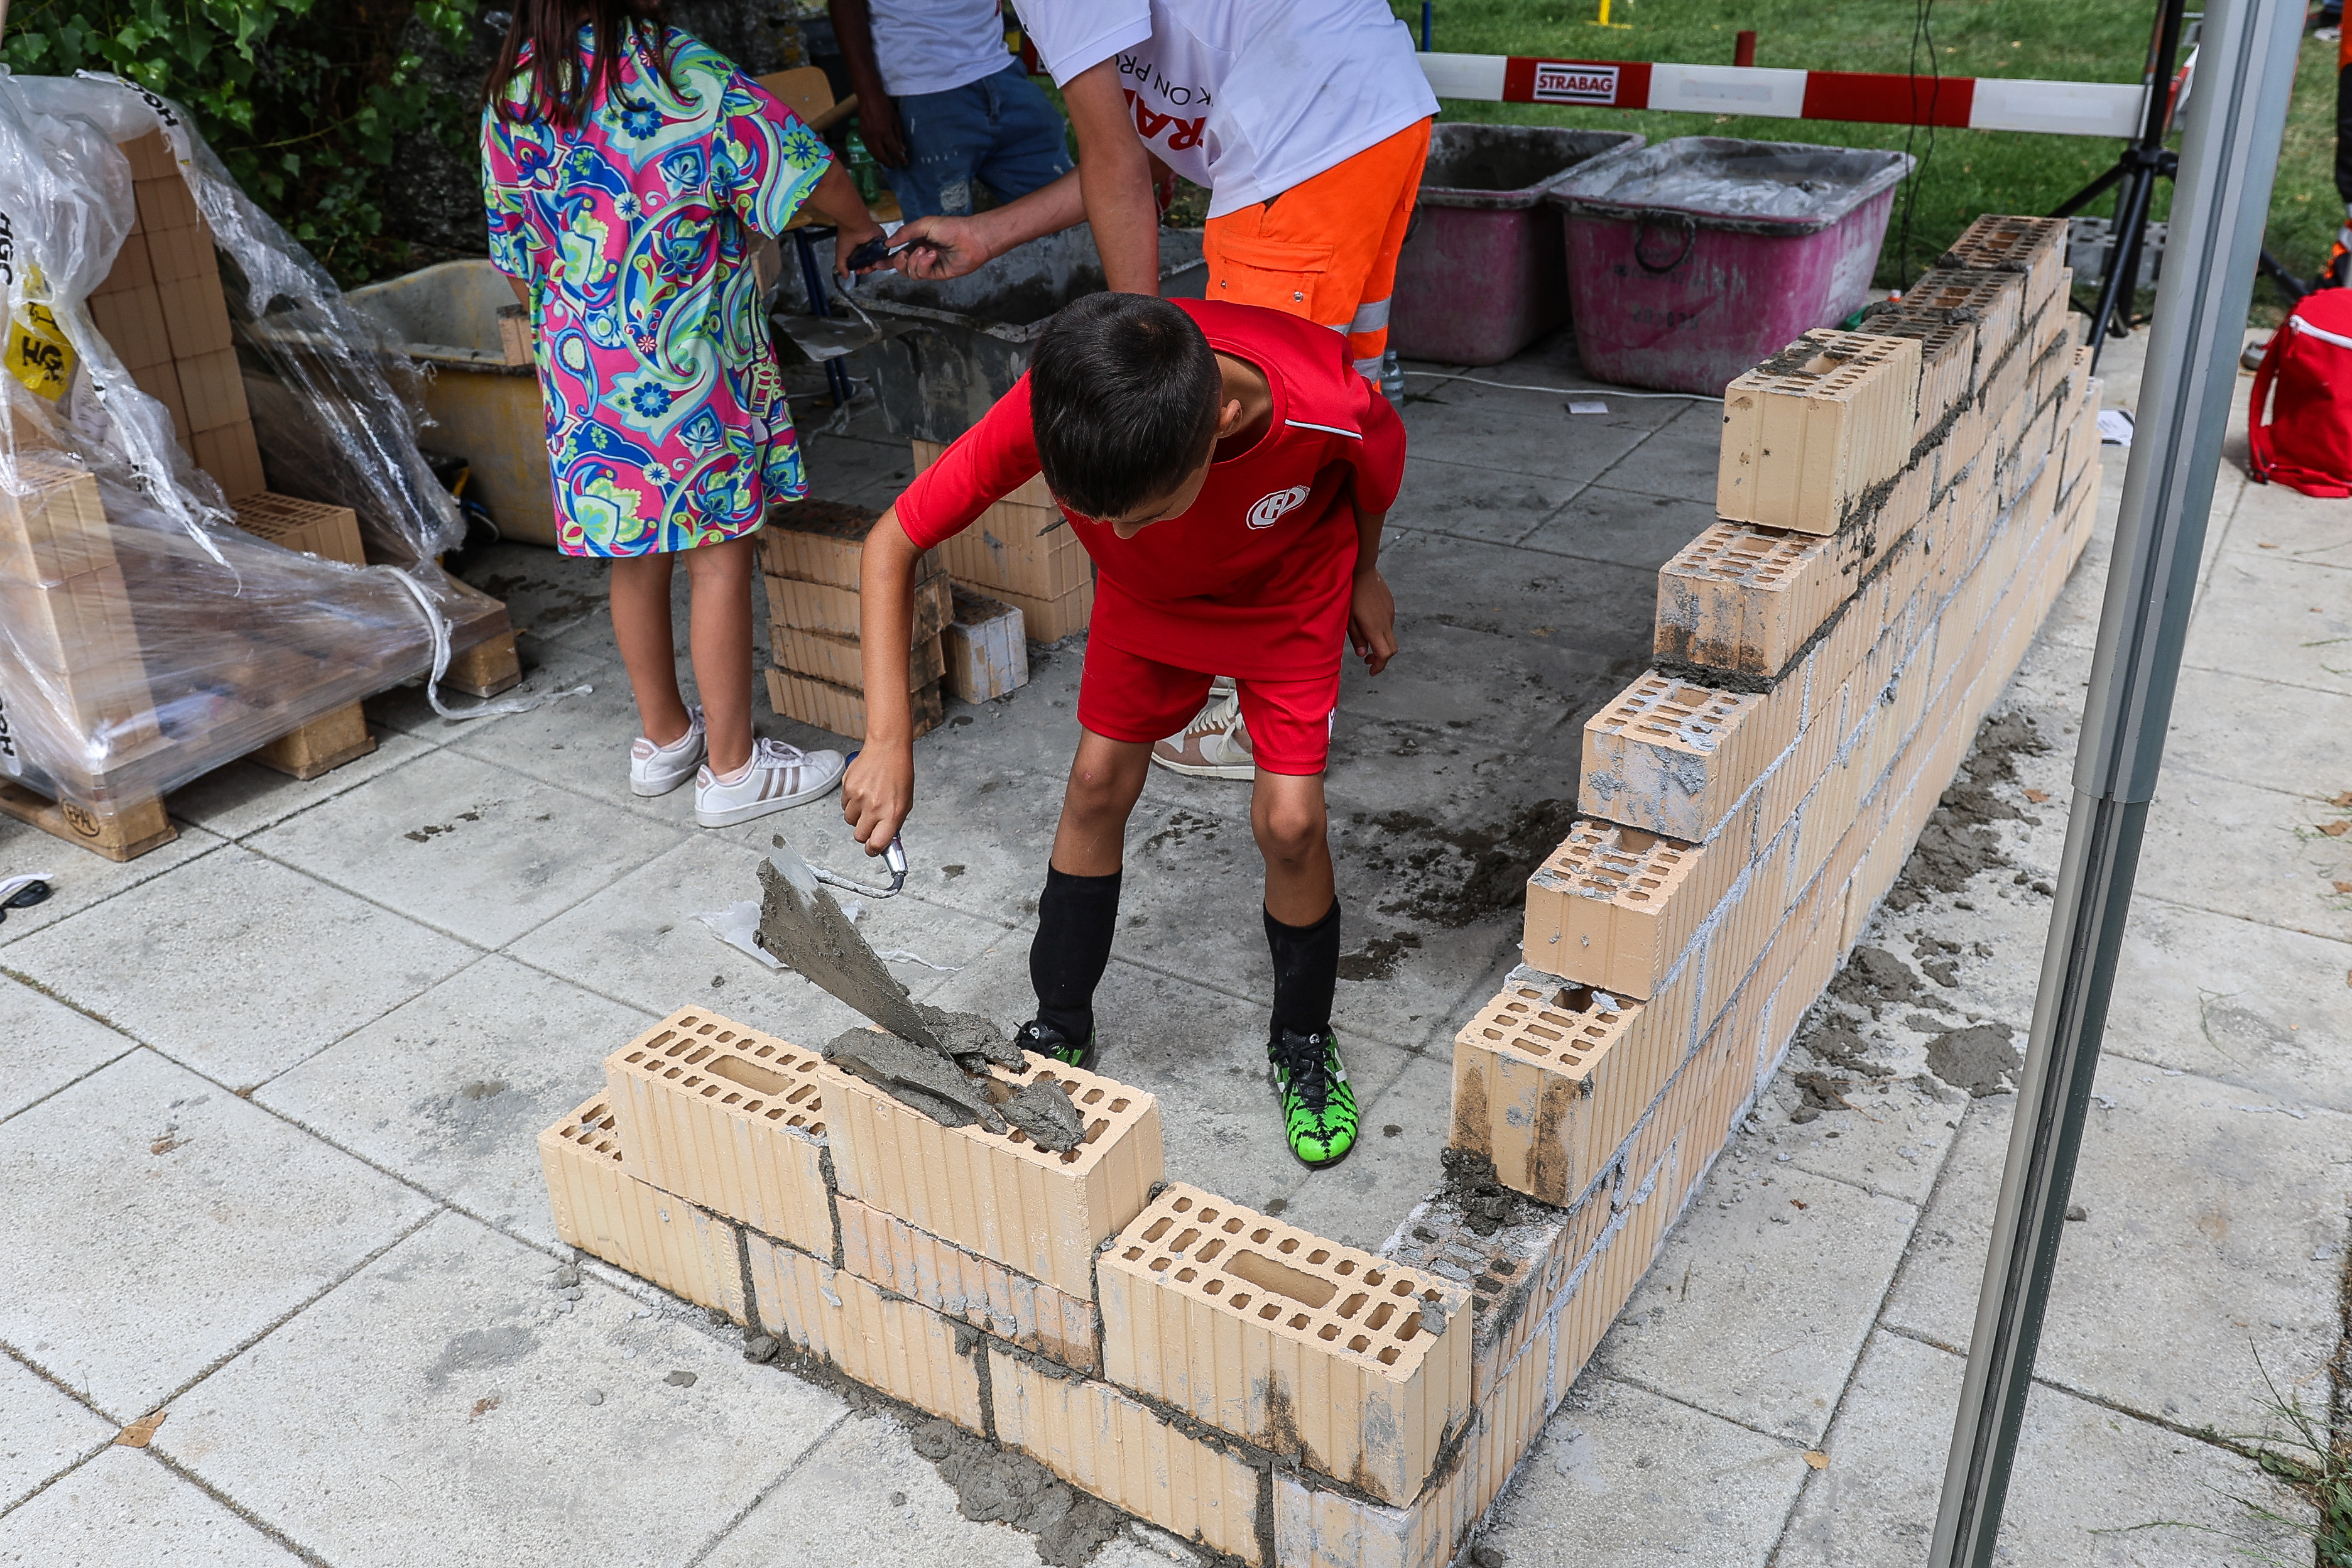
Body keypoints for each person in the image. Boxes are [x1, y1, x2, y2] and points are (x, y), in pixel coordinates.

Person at [841, 293, 1402, 1169]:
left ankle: (1302, 1038)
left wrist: (1366, 573)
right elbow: (891, 543)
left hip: (1287, 591)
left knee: (1292, 823)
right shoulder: (1061, 402)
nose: (1117, 532)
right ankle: (1059, 1022)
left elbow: (1375, 474)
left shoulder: (1323, 405)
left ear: (1220, 424)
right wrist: (886, 739)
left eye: (1140, 514)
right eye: (1095, 518)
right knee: (1096, 782)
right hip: (1146, 602)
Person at [883, 0, 1435, 785]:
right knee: (1330, 382)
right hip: (1371, 110)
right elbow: (1136, 154)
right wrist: (990, 233)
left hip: (1302, 135)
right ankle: (1308, 628)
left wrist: (1135, 366)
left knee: (1247, 443)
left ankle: (1257, 701)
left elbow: (1117, 165)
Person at [482, 0, 885, 827]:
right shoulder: (679, 74)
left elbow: (518, 257)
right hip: (687, 365)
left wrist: (585, 324)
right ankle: (733, 769)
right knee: (718, 554)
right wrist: (859, 225)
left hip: (587, 371)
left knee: (633, 553)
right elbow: (803, 168)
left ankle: (665, 737)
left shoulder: (514, 97)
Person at [827, 0, 1074, 220]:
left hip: (1001, 70)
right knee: (937, 239)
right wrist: (870, 99)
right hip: (921, 90)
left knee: (1069, 209)